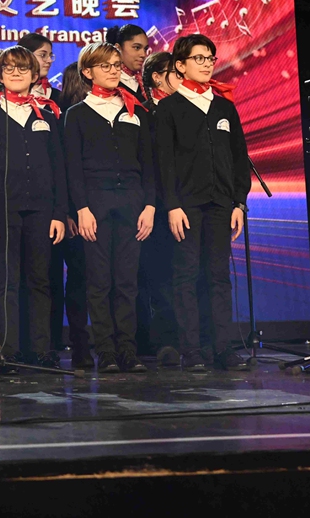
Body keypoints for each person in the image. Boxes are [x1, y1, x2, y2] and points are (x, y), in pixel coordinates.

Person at [154, 34, 250, 372]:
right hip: (186, 206)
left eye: (210, 58)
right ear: (180, 66)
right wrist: (172, 205)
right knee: (185, 275)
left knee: (219, 275)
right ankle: (191, 350)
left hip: (222, 203)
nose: (207, 64)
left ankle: (222, 347)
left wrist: (239, 202)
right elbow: (163, 163)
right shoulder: (168, 108)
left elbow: (240, 157)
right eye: (199, 58)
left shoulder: (224, 107)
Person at [65, 42, 155, 373]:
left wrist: (150, 205)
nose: (114, 70)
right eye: (106, 66)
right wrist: (81, 208)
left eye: (117, 64)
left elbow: (149, 164)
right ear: (88, 73)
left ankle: (127, 350)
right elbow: (72, 167)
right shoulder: (76, 114)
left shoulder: (135, 111)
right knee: (99, 281)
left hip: (132, 204)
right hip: (96, 206)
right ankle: (106, 350)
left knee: (127, 281)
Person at [0, 47, 68, 369]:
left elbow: (60, 167)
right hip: (2, 211)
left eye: (22, 69)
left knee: (40, 280)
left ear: (34, 75)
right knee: (6, 281)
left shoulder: (48, 114)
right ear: (0, 76)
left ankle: (41, 349)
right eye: (9, 69)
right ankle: (7, 349)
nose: (16, 74)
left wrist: (60, 213)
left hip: (42, 210)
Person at [138, 51, 182, 366]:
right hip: (157, 204)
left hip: (189, 202)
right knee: (160, 276)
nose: (183, 78)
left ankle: (197, 340)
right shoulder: (144, 114)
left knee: (191, 273)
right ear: (157, 77)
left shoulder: (192, 110)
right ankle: (164, 341)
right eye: (175, 72)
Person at [56, 61, 92, 367]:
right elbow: (63, 169)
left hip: (97, 208)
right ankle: (80, 344)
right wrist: (68, 211)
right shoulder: (64, 115)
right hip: (71, 211)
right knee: (79, 279)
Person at [109, 25, 151, 105]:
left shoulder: (148, 82)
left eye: (145, 49)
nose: (143, 54)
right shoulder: (109, 83)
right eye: (137, 47)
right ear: (118, 48)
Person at [19, 34, 56, 100]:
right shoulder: (4, 97)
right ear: (25, 56)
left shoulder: (58, 97)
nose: (49, 60)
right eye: (43, 55)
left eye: (50, 55)